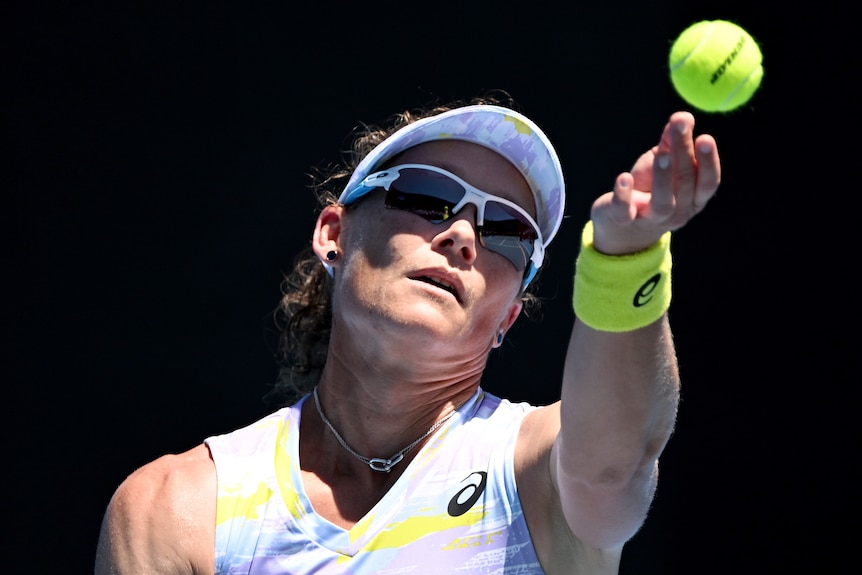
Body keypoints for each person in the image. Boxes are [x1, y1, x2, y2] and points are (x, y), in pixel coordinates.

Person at [95, 92, 720, 574]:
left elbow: (613, 468)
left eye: (507, 230)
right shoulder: (175, 508)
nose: (464, 236)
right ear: (334, 234)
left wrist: (626, 257)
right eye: (426, 196)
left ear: (506, 317)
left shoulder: (538, 474)